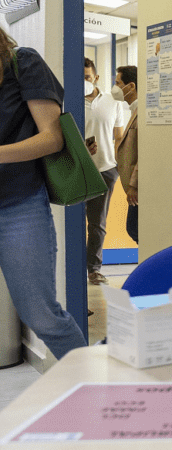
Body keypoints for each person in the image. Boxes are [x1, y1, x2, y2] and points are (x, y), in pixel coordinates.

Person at [0, 27, 87, 360]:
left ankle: (93, 394)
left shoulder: (22, 62)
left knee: (41, 316)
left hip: (17, 206)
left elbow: (52, 138)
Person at [84, 57, 124, 286]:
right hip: (77, 170)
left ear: (96, 78)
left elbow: (119, 137)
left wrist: (118, 167)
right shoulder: (69, 101)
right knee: (71, 223)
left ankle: (94, 269)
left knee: (97, 224)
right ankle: (70, 267)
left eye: (88, 78)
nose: (85, 83)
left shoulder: (112, 101)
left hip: (106, 169)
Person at [114, 65, 139, 243]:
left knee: (135, 229)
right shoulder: (134, 111)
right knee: (134, 229)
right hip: (134, 185)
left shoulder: (142, 113)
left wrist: (134, 185)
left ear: (130, 86)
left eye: (118, 83)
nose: (115, 88)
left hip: (139, 187)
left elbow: (145, 153)